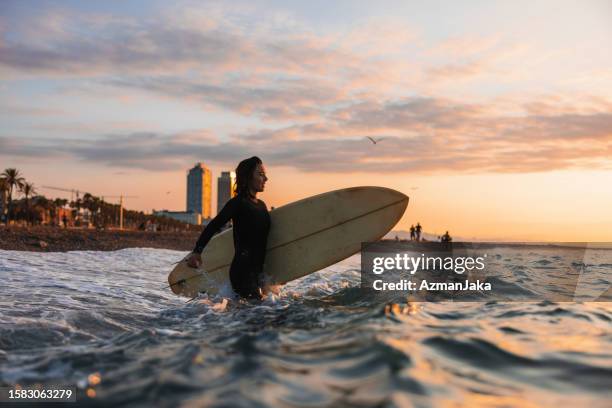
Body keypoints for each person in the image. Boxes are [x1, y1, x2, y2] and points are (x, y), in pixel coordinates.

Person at [185, 157, 270, 300]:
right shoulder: (238, 203)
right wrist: (197, 252)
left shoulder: (262, 206)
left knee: (257, 315)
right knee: (259, 314)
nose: (266, 178)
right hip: (242, 272)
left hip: (258, 273)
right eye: (260, 174)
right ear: (248, 177)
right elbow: (214, 225)